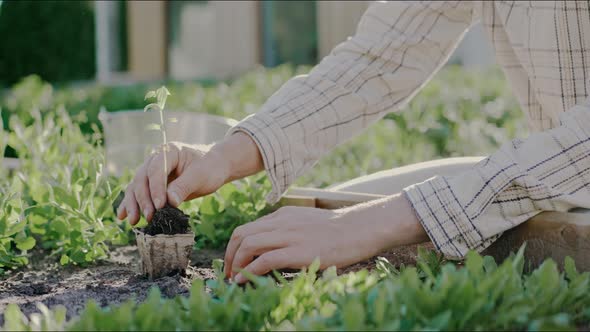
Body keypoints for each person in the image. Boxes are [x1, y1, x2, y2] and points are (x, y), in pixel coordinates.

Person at [118, 1, 590, 284]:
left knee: (354, 231)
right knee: (325, 224)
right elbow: (381, 57)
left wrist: (365, 226)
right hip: (560, 184)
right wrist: (226, 155)